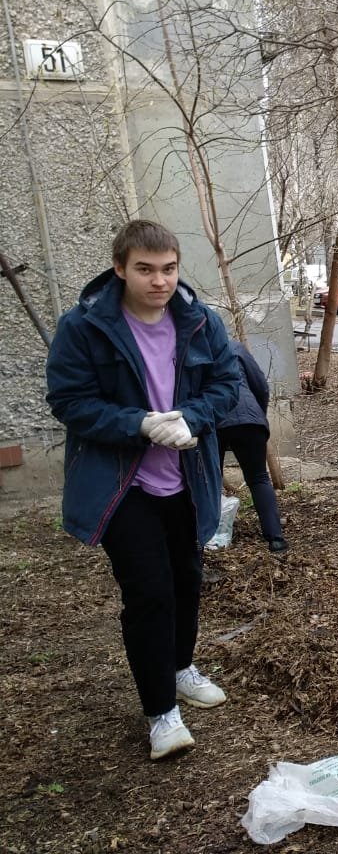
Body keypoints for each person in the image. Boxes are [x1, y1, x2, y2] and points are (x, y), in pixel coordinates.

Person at [46, 219, 240, 760]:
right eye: (146, 270)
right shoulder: (85, 328)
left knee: (186, 580)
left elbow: (228, 384)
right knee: (149, 592)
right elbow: (69, 400)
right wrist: (139, 423)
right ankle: (161, 714)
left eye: (169, 269)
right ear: (121, 269)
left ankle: (179, 667)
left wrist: (193, 418)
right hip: (121, 482)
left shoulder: (200, 322)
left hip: (187, 476)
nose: (160, 281)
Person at [218, 341, 288, 553]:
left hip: (212, 422)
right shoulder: (233, 347)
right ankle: (276, 539)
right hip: (249, 421)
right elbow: (260, 386)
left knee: (211, 479)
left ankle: (212, 537)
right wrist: (258, 416)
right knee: (258, 478)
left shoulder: (188, 353)